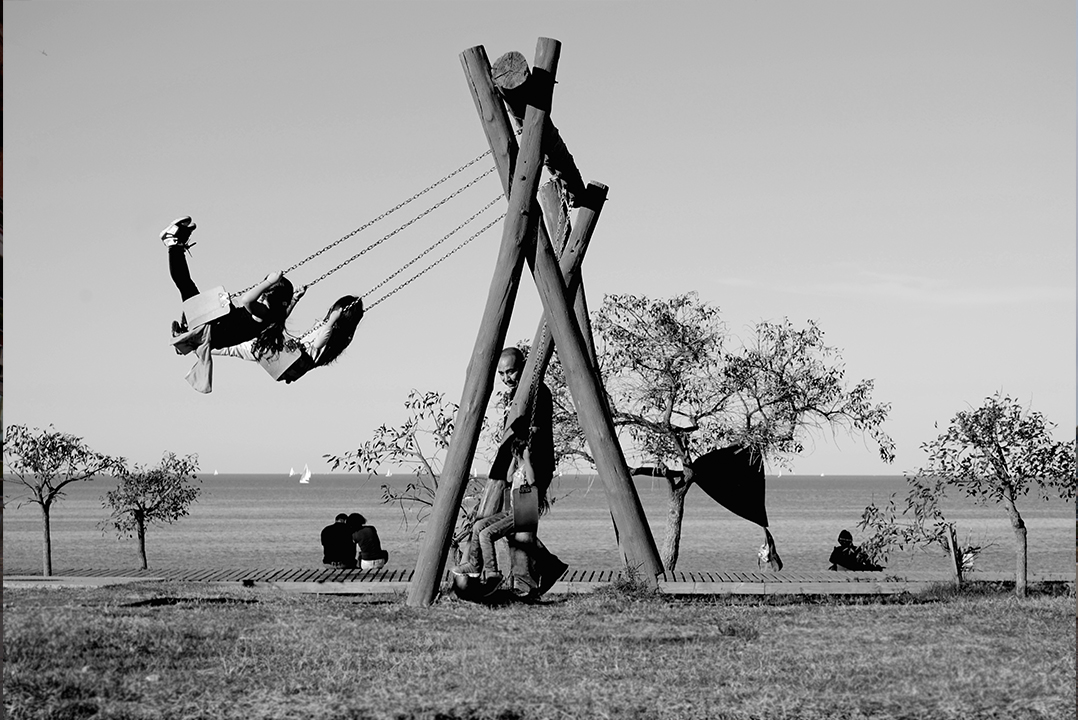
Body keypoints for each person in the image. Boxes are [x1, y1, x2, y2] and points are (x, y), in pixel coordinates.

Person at [453, 347, 568, 597]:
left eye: (512, 371)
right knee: (510, 526)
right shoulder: (518, 394)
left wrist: (522, 456)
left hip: (531, 470)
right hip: (514, 469)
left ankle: (525, 584)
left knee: (521, 526)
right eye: (502, 373)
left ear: (523, 366)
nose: (507, 378)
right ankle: (546, 566)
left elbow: (533, 432)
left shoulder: (536, 392)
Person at [162, 216, 303, 392]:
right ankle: (185, 333)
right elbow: (282, 312)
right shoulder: (272, 316)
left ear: (270, 295)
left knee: (185, 284)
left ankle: (172, 242)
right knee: (186, 285)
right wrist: (295, 298)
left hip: (211, 328)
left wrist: (268, 281)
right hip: (215, 328)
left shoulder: (263, 313)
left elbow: (247, 300)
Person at [210, 295, 364, 383]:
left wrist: (331, 321)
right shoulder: (341, 335)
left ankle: (205, 342)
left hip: (295, 360)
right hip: (293, 361)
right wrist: (295, 300)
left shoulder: (336, 333)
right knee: (246, 347)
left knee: (249, 345)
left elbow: (317, 344)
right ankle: (204, 344)